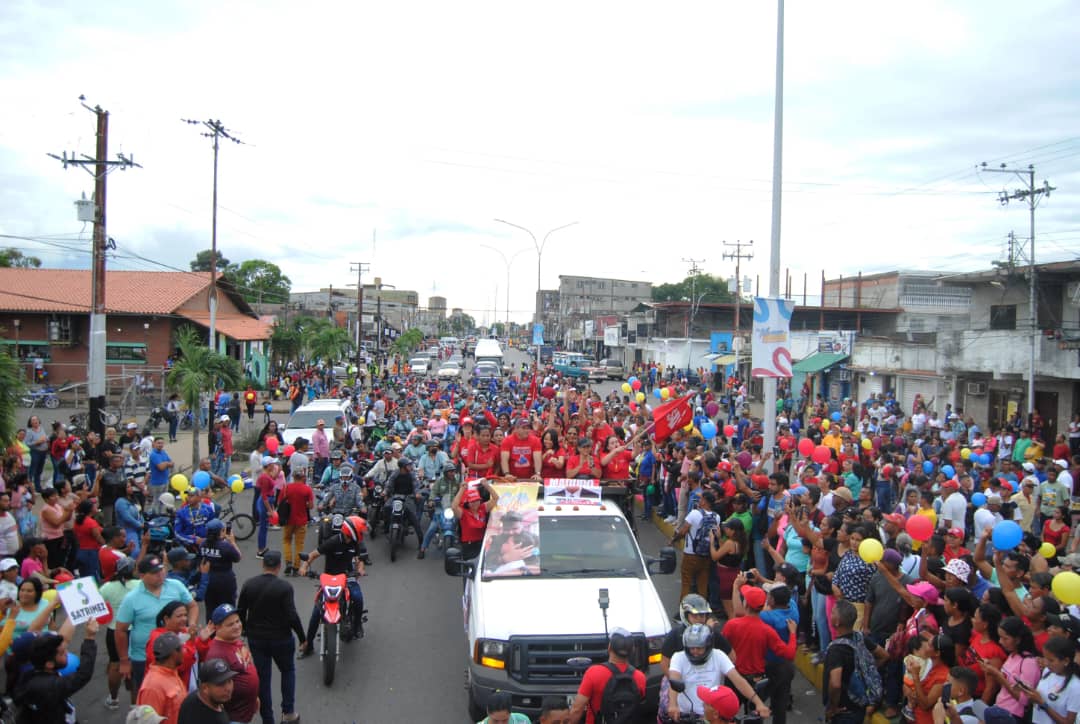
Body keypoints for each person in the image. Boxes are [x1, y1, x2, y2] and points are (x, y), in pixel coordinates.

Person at [237, 550, 304, 724]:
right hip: (281, 638)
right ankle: (288, 712)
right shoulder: (284, 587)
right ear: (279, 566)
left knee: (263, 678)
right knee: (287, 671)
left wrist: (244, 630)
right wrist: (303, 638)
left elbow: (241, 611)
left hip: (257, 639)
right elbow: (292, 616)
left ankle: (267, 718)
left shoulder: (249, 584)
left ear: (263, 565)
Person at [116, 555, 198, 695]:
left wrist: (191, 624)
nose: (160, 574)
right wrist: (124, 660)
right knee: (148, 693)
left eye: (161, 570)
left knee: (179, 692)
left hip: (176, 652)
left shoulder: (176, 586)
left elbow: (192, 606)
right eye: (154, 573)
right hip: (143, 657)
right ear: (142, 576)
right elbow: (120, 630)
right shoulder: (131, 599)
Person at [666, 623, 770, 722]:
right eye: (691, 648)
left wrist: (759, 703)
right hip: (687, 716)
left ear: (708, 645)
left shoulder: (718, 655)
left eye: (699, 648)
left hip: (715, 716)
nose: (695, 651)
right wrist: (673, 705)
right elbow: (674, 680)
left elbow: (738, 680)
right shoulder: (678, 657)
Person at [298, 516, 368, 657]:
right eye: (360, 531)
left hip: (348, 576)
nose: (362, 534)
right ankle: (308, 645)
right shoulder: (332, 541)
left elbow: (360, 559)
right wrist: (304, 567)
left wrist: (360, 569)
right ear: (351, 531)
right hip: (329, 579)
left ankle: (357, 626)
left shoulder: (355, 544)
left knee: (358, 597)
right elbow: (313, 554)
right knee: (316, 613)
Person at [13, 618, 99, 723]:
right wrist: (90, 638)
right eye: (62, 653)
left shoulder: (32, 672)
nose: (67, 653)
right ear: (49, 664)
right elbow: (83, 675)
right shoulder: (50, 686)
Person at [823, 599, 889, 724]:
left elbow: (835, 684)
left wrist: (833, 707)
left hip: (843, 711)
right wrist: (867, 671)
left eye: (833, 612)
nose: (830, 614)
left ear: (837, 622)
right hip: (860, 705)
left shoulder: (836, 650)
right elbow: (884, 655)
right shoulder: (860, 638)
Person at [567, 627, 646, 724]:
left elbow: (577, 709)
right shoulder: (640, 677)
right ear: (632, 651)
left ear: (609, 648)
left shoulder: (593, 672)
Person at [205, 604, 260, 724]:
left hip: (244, 712)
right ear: (217, 628)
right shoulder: (217, 653)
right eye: (230, 624)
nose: (237, 626)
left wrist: (254, 697)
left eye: (237, 621)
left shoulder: (234, 640)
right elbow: (213, 691)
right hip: (233, 717)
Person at [136, 631, 187, 724]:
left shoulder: (171, 672)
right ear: (174, 653)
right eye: (182, 648)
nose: (184, 651)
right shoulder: (152, 687)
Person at [199, 519, 241, 619]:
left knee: (210, 607)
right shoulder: (226, 546)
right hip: (225, 580)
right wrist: (232, 542)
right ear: (220, 532)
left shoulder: (203, 544)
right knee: (228, 608)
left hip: (208, 579)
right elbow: (238, 557)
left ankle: (211, 627)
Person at [178, 658, 236, 724]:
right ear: (205, 688)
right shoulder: (199, 717)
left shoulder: (198, 697)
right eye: (221, 684)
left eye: (229, 681)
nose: (228, 688)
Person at [453, 479, 500, 560]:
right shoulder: (463, 513)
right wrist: (462, 489)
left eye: (477, 500)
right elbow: (454, 507)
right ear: (467, 503)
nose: (475, 503)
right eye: (472, 501)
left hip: (483, 544)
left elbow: (496, 498)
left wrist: (487, 486)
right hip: (469, 546)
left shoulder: (482, 508)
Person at [279, 468, 314, 576]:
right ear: (303, 477)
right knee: (299, 544)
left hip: (288, 519)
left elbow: (280, 502)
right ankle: (296, 567)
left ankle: (288, 562)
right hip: (301, 520)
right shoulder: (307, 489)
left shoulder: (286, 488)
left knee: (287, 540)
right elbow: (311, 506)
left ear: (293, 477)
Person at [148, 437, 175, 505]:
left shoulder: (163, 452)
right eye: (158, 443)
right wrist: (167, 463)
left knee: (164, 501)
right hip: (157, 483)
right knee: (157, 502)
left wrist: (165, 463)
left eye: (162, 443)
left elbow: (172, 463)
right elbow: (161, 467)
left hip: (165, 481)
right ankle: (155, 512)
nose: (160, 445)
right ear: (154, 444)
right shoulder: (153, 454)